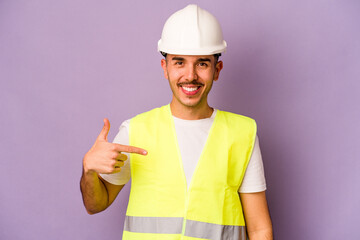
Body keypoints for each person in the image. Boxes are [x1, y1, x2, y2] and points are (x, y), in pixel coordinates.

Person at [80, 4, 273, 240]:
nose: (190, 75)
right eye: (179, 62)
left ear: (217, 69)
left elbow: (259, 229)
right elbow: (94, 205)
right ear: (165, 67)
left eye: (202, 63)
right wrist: (88, 169)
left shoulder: (243, 134)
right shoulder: (136, 131)